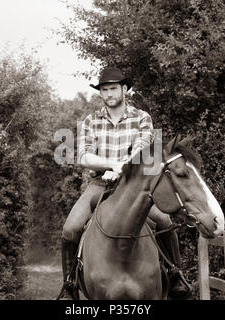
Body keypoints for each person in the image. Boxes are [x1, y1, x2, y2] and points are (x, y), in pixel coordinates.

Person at [60, 67, 190, 299]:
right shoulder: (91, 120)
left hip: (134, 184)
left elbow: (144, 148)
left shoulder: (142, 118)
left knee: (163, 219)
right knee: (70, 228)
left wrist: (122, 168)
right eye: (104, 90)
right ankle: (70, 284)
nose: (108, 94)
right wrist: (111, 165)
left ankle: (175, 275)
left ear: (124, 89)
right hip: (100, 183)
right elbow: (84, 156)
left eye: (113, 89)